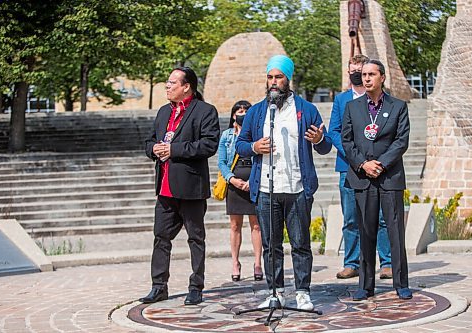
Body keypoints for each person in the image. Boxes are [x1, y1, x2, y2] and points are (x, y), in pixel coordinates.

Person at [236, 55, 332, 310]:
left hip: (297, 188)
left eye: (279, 77)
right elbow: (241, 145)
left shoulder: (306, 109)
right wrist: (255, 146)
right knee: (271, 246)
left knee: (301, 244)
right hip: (267, 189)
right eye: (270, 77)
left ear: (288, 79)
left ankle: (302, 292)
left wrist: (319, 139)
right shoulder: (257, 111)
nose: (274, 82)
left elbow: (325, 146)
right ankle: (275, 291)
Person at [140, 67, 220, 305]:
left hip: (191, 187)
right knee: (161, 237)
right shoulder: (164, 112)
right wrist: (153, 149)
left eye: (172, 82)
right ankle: (158, 286)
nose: (167, 86)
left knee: (196, 238)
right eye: (167, 82)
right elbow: (149, 140)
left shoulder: (205, 111)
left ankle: (196, 286)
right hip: (165, 187)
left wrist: (174, 150)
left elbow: (208, 145)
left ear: (187, 87)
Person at [341, 59, 412, 301]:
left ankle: (401, 283)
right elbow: (347, 141)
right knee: (366, 231)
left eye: (372, 74)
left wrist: (380, 164)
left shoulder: (398, 106)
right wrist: (363, 164)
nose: (367, 78)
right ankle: (366, 285)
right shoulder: (352, 107)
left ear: (382, 77)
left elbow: (401, 141)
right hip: (362, 178)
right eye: (363, 74)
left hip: (389, 177)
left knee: (394, 231)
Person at [328, 54, 392, 280]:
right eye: (353, 70)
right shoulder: (341, 100)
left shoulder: (382, 99)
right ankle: (351, 262)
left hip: (378, 167)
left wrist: (376, 161)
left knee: (382, 217)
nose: (358, 74)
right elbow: (334, 131)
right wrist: (356, 159)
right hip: (349, 167)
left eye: (361, 70)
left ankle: (387, 262)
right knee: (351, 218)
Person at [217, 100, 263, 282]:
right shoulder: (227, 135)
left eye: (246, 110)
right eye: (239, 110)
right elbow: (221, 161)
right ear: (233, 115)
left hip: (253, 182)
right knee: (235, 225)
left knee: (256, 225)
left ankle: (258, 263)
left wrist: (253, 181)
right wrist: (232, 179)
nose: (242, 113)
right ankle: (235, 262)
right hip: (234, 182)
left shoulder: (256, 133)